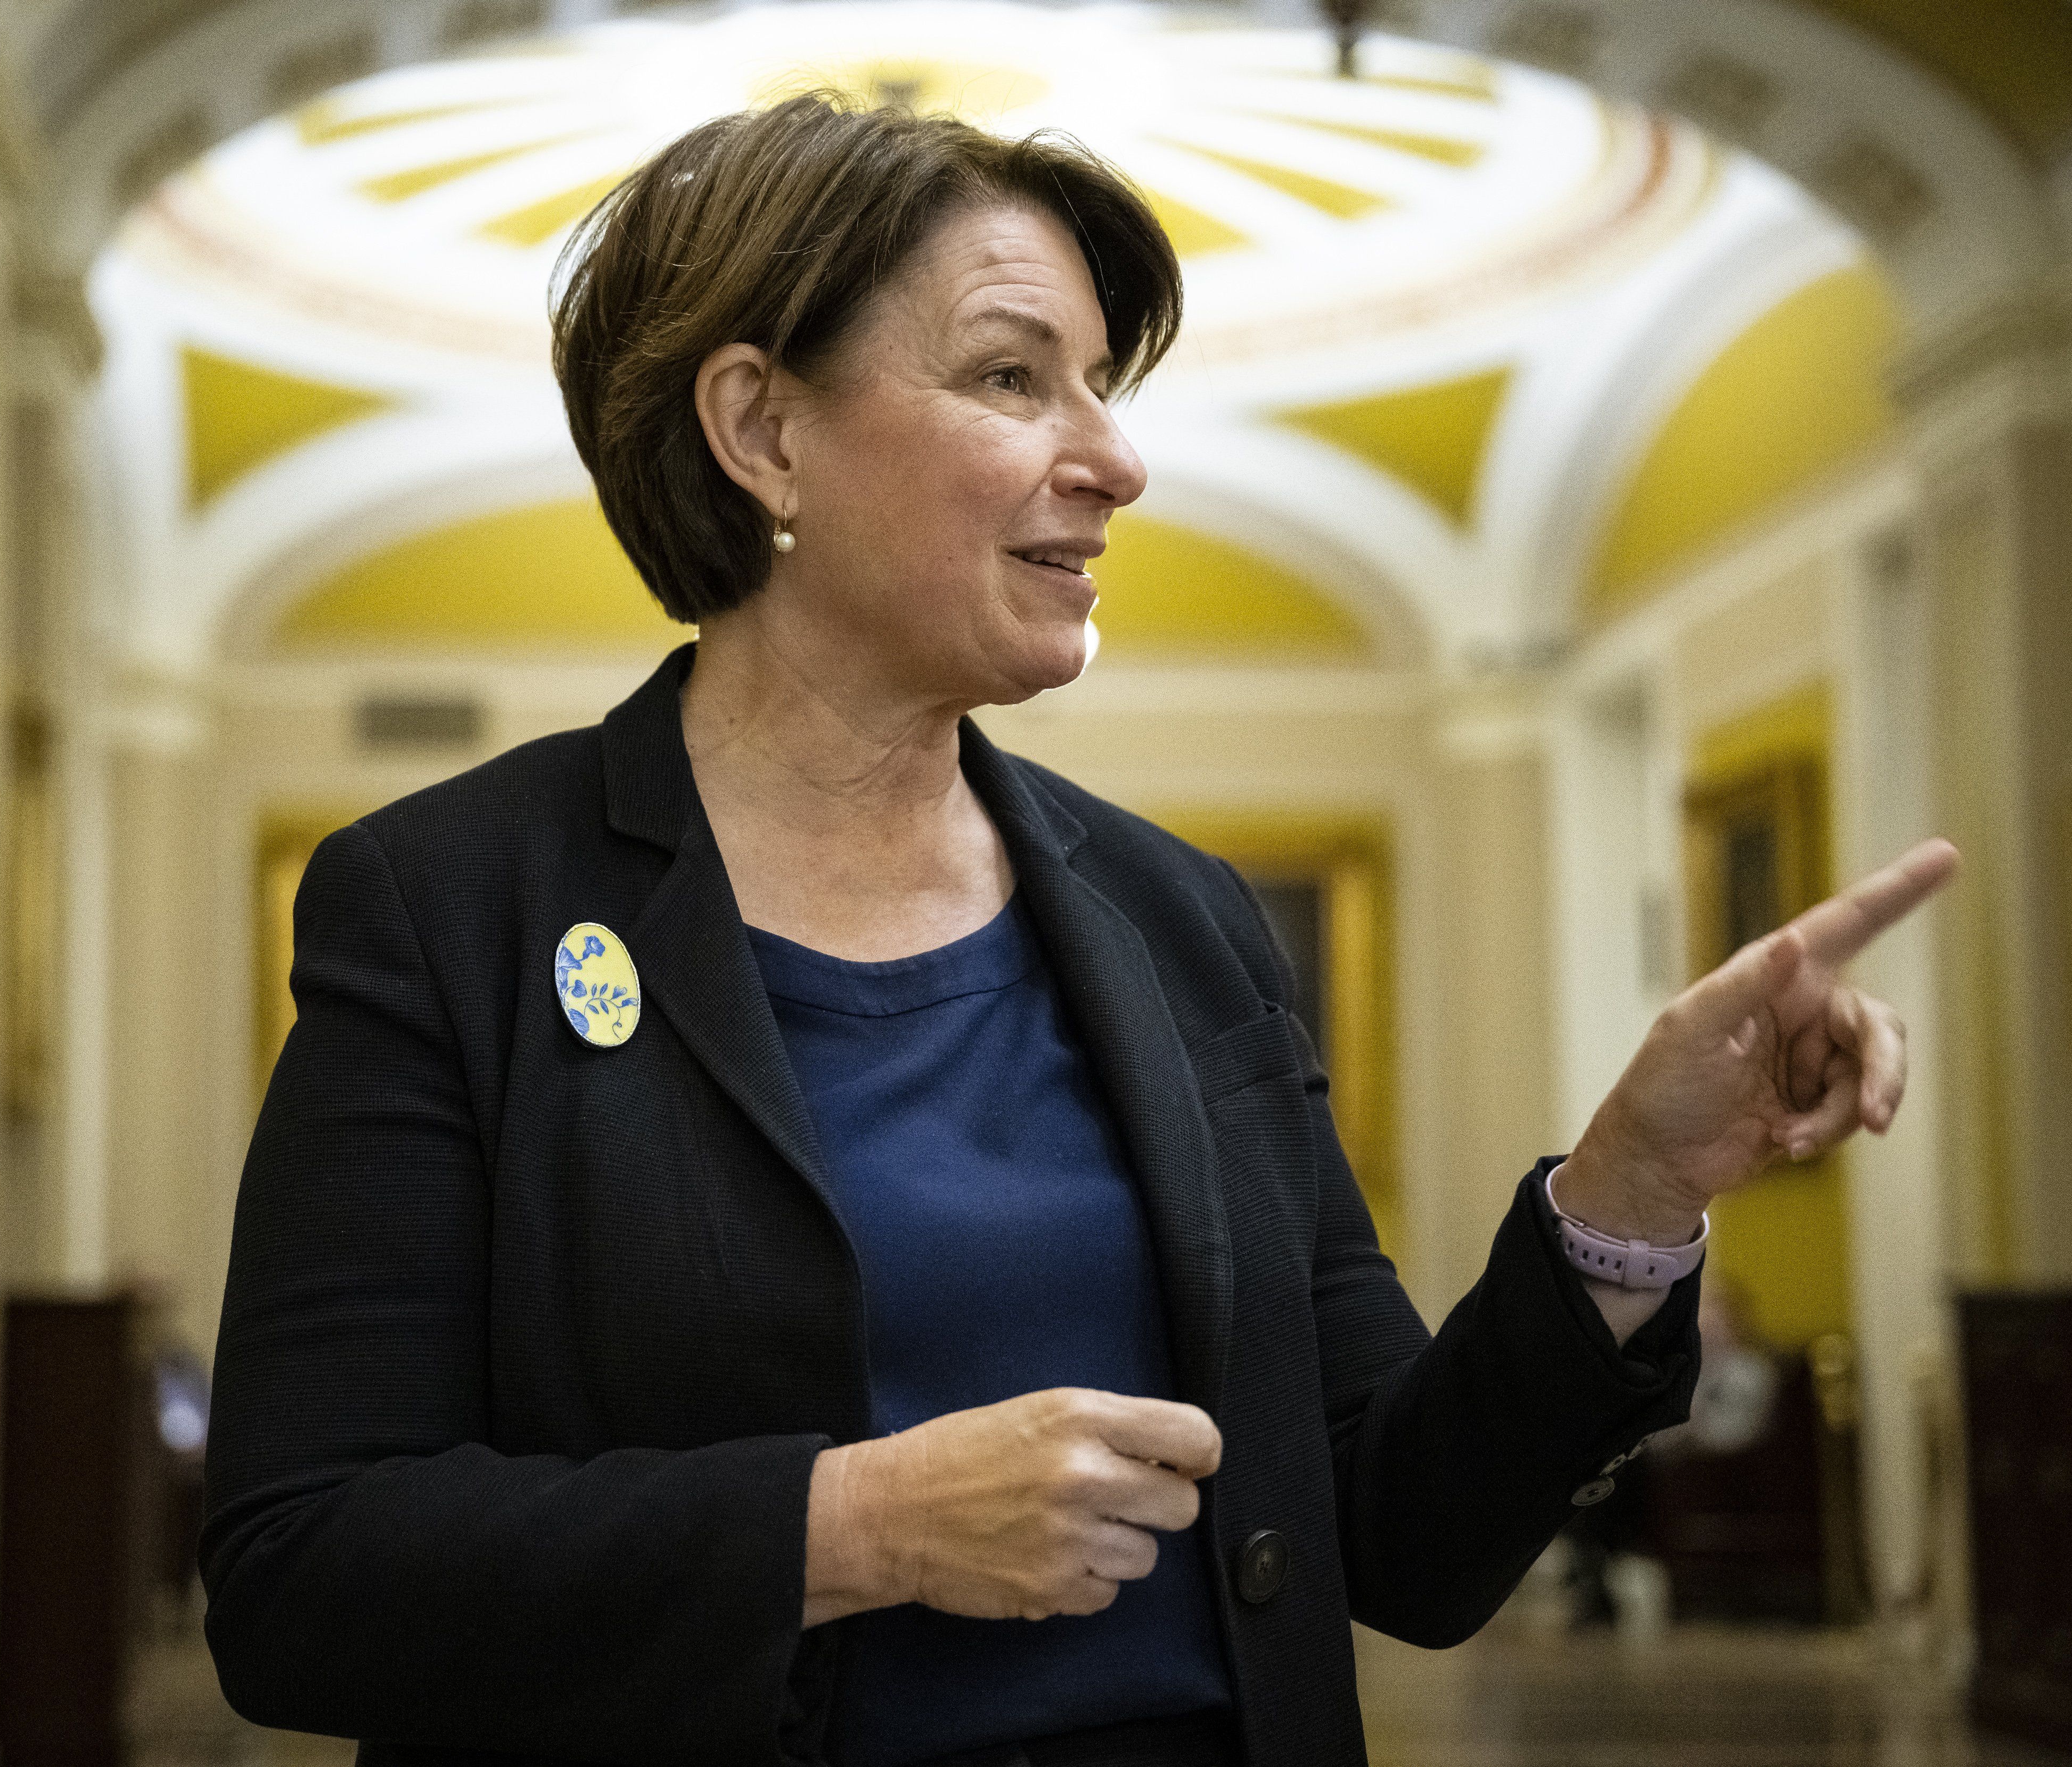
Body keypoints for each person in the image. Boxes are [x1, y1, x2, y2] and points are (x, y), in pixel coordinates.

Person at [199, 96, 1957, 1767]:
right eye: (1009, 375)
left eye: (1101, 386)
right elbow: (299, 1573)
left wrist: (1634, 1192)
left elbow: (1399, 1537)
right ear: (762, 432)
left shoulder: (1182, 921)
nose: (1113, 458)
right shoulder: (452, 906)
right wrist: (852, 1525)